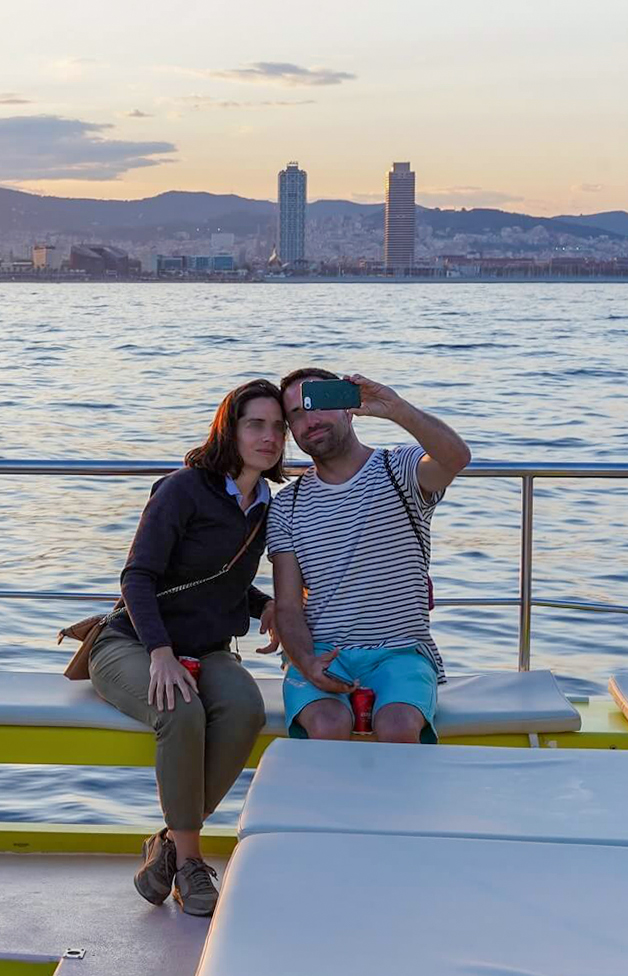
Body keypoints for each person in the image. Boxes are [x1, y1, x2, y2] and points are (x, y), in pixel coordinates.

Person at [89, 379, 284, 917]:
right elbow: (138, 577)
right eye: (255, 425)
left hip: (209, 647)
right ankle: (192, 863)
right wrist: (160, 652)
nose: (269, 438)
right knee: (180, 707)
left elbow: (217, 582)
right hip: (132, 642)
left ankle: (167, 846)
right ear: (230, 429)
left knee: (246, 710)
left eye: (277, 427)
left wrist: (263, 604)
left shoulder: (266, 504)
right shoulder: (183, 489)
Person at [261, 368, 471, 744]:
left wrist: (394, 407)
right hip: (323, 651)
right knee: (327, 725)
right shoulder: (286, 507)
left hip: (402, 652)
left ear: (346, 407)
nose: (309, 421)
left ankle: (398, 806)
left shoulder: (400, 470)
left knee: (398, 727)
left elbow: (456, 458)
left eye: (318, 404)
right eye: (295, 415)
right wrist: (307, 662)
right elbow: (289, 607)